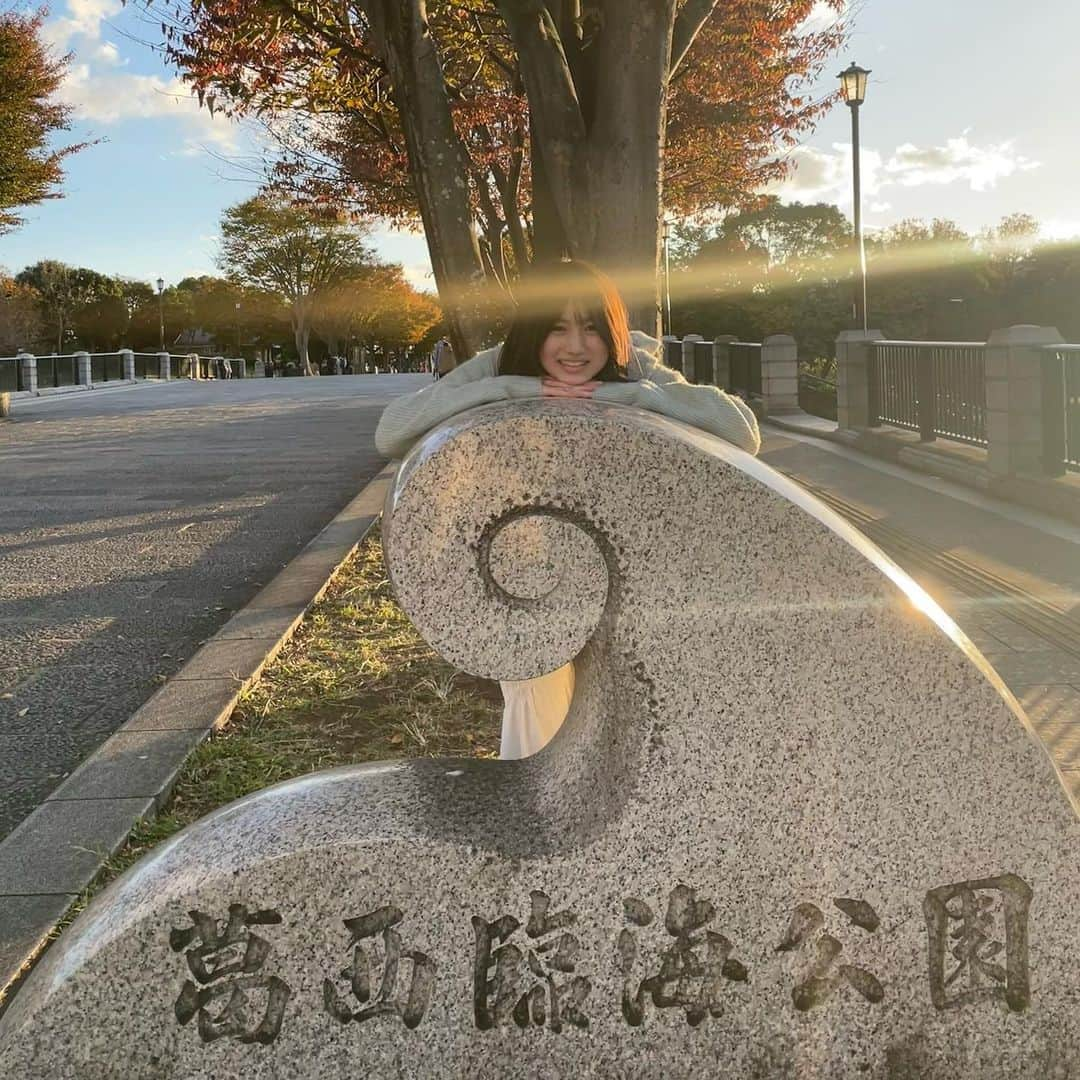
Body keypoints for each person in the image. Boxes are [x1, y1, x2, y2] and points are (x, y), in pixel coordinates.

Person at [374, 259, 760, 761]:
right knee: (536, 694)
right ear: (533, 329)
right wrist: (517, 389)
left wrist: (632, 396)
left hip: (625, 565)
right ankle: (533, 814)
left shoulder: (634, 364)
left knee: (625, 709)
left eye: (592, 329)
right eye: (557, 329)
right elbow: (391, 431)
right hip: (524, 568)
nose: (576, 348)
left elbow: (742, 431)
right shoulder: (497, 365)